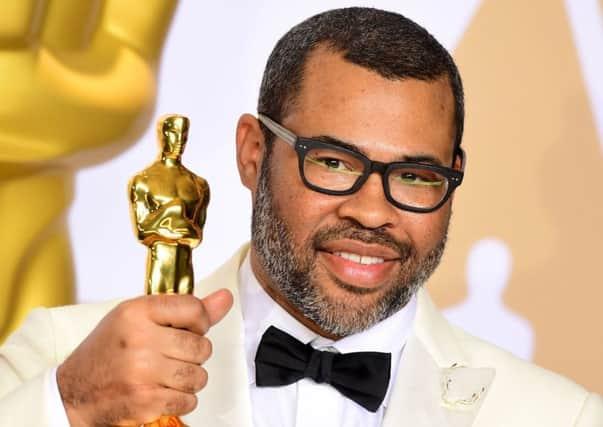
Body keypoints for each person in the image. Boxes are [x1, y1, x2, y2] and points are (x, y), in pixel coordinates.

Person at [1, 7, 601, 427]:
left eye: (416, 176)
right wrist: (72, 405)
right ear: (252, 154)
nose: (373, 212)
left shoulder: (558, 418)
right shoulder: (61, 359)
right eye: (335, 162)